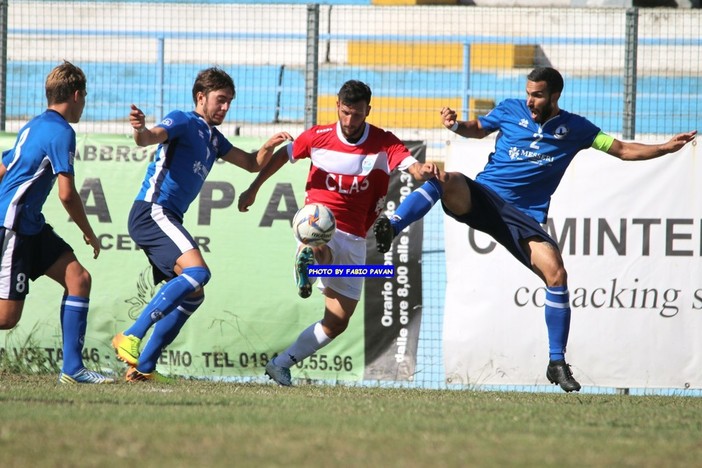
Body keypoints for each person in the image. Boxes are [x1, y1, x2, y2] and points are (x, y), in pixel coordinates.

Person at [373, 67, 697, 392]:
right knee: (443, 179)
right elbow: (476, 128)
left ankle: (556, 363)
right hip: (484, 197)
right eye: (528, 93)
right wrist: (456, 125)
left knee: (556, 275)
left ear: (555, 96)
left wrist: (664, 148)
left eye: (538, 94)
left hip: (523, 218)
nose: (530, 100)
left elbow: (623, 149)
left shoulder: (576, 128)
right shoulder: (511, 109)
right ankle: (395, 225)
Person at [237, 80, 439, 386]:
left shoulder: (383, 142)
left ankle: (281, 364)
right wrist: (254, 188)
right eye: (345, 113)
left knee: (337, 321)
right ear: (337, 107)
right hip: (316, 221)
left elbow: (412, 167)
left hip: (357, 236)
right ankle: (312, 256)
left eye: (356, 114)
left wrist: (425, 170)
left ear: (367, 111)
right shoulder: (317, 136)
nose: (349, 120)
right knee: (323, 236)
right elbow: (282, 156)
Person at [111, 67, 292, 383]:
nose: (225, 108)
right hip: (152, 211)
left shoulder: (214, 138)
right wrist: (139, 129)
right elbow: (148, 138)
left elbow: (251, 164)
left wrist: (269, 145)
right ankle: (131, 334)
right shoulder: (183, 120)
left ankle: (144, 369)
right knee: (198, 273)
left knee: (194, 294)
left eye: (229, 102)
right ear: (201, 97)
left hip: (167, 216)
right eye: (220, 100)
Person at [0, 61, 114, 384]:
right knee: (7, 318)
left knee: (78, 279)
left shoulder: (33, 125)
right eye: (86, 95)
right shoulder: (63, 132)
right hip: (15, 226)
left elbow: (4, 167)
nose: (85, 102)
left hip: (31, 225)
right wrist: (89, 233)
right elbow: (67, 195)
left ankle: (73, 370)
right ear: (76, 95)